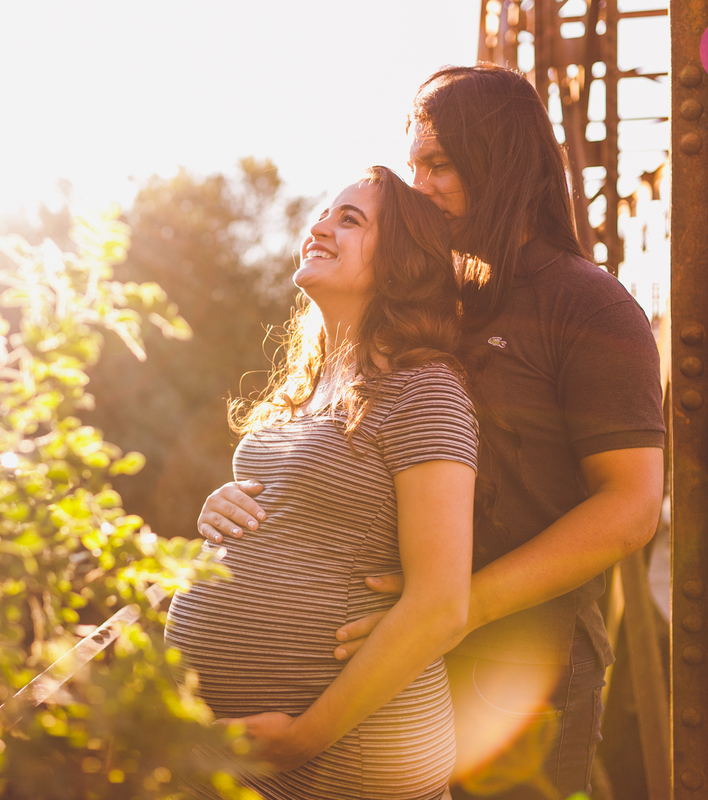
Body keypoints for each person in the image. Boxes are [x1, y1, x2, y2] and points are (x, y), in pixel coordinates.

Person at [196, 65, 665, 799]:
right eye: (413, 164)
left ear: (501, 161)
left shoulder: (589, 305)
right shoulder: (435, 299)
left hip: (518, 665)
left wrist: (460, 605)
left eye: (438, 164)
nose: (419, 186)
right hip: (397, 656)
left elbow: (632, 507)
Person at [165, 166, 477, 800]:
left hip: (344, 761)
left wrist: (307, 735)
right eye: (325, 213)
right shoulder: (304, 391)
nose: (321, 226)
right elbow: (299, 514)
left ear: (401, 264)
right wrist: (222, 508)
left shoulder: (424, 392)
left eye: (350, 219)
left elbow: (442, 605)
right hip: (241, 761)